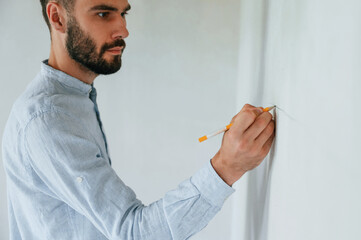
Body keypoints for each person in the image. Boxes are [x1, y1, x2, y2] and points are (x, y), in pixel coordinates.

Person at [2, 0, 275, 239]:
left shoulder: (73, 101)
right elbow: (134, 234)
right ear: (57, 17)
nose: (123, 30)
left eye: (124, 14)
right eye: (103, 14)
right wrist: (227, 167)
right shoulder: (49, 120)